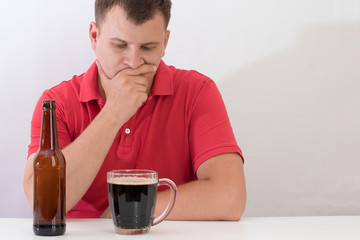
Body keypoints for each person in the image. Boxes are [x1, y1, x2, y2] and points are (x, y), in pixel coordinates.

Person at [23, 0, 246, 221]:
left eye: (148, 47)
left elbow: (230, 197)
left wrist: (128, 209)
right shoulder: (55, 103)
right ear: (94, 36)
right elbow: (43, 201)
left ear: (165, 42)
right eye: (119, 45)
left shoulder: (197, 92)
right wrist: (113, 114)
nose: (133, 62)